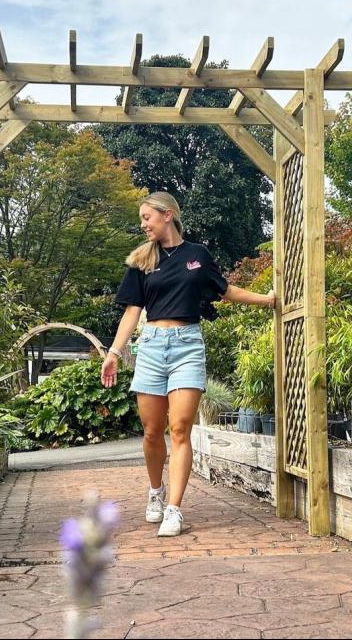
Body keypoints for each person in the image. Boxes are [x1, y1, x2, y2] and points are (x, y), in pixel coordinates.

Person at [101, 192, 275, 536]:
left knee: (180, 428)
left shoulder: (198, 255)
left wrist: (266, 300)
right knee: (153, 431)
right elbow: (132, 311)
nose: (143, 224)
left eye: (147, 217)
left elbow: (225, 291)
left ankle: (174, 509)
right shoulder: (141, 261)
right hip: (152, 347)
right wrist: (114, 353)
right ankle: (155, 491)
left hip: (188, 347)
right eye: (142, 219)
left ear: (167, 215)